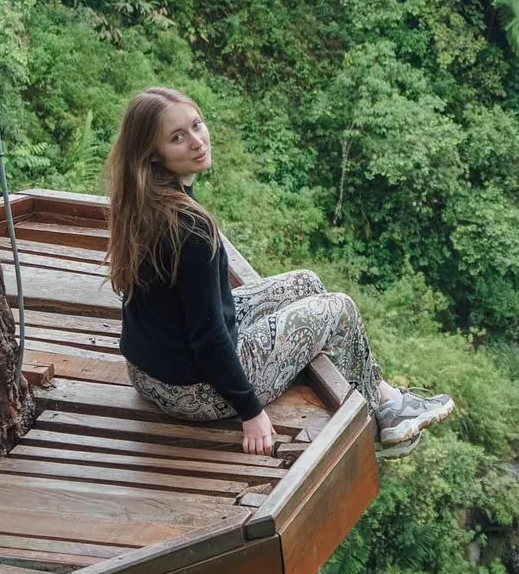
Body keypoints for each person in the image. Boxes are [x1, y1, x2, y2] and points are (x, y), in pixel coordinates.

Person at [106, 85, 454, 458]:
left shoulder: (141, 202)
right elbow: (208, 338)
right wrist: (251, 411)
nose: (196, 141)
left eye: (197, 124)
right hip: (194, 392)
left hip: (147, 373)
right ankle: (383, 417)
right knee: (339, 309)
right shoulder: (190, 228)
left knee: (306, 282)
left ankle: (385, 395)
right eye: (177, 138)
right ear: (153, 155)